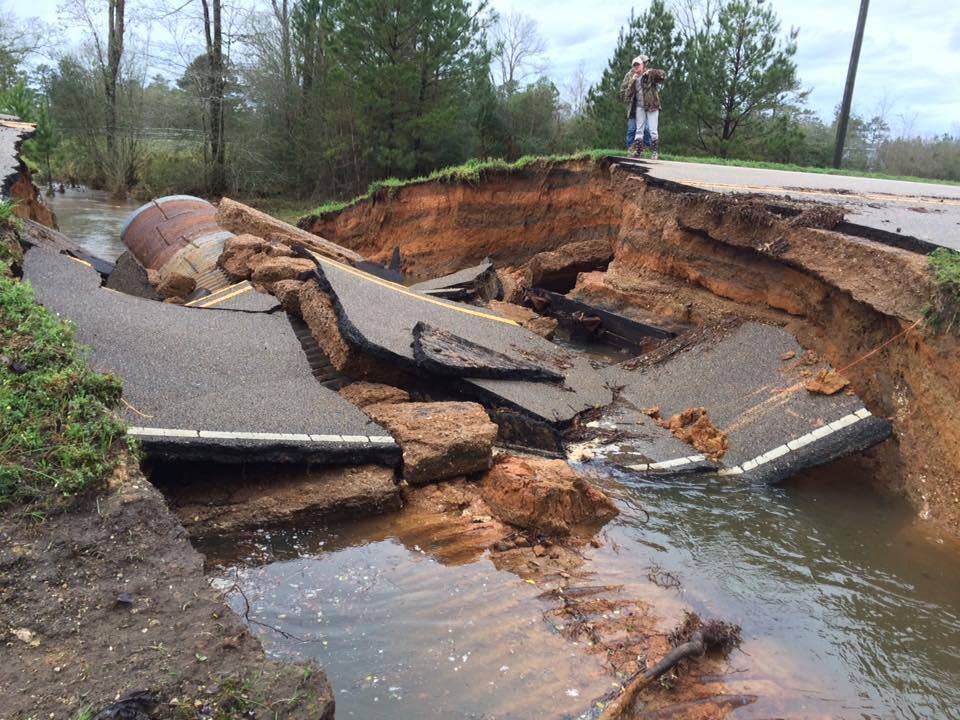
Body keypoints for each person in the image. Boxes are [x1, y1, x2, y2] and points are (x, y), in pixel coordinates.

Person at [619, 55, 666, 159]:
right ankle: (638, 152)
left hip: (651, 106)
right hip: (639, 107)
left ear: (643, 65)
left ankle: (654, 153)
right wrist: (632, 81)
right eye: (634, 66)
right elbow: (626, 95)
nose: (636, 67)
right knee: (638, 130)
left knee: (652, 130)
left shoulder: (650, 74)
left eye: (638, 65)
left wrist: (652, 72)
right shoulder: (632, 77)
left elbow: (663, 76)